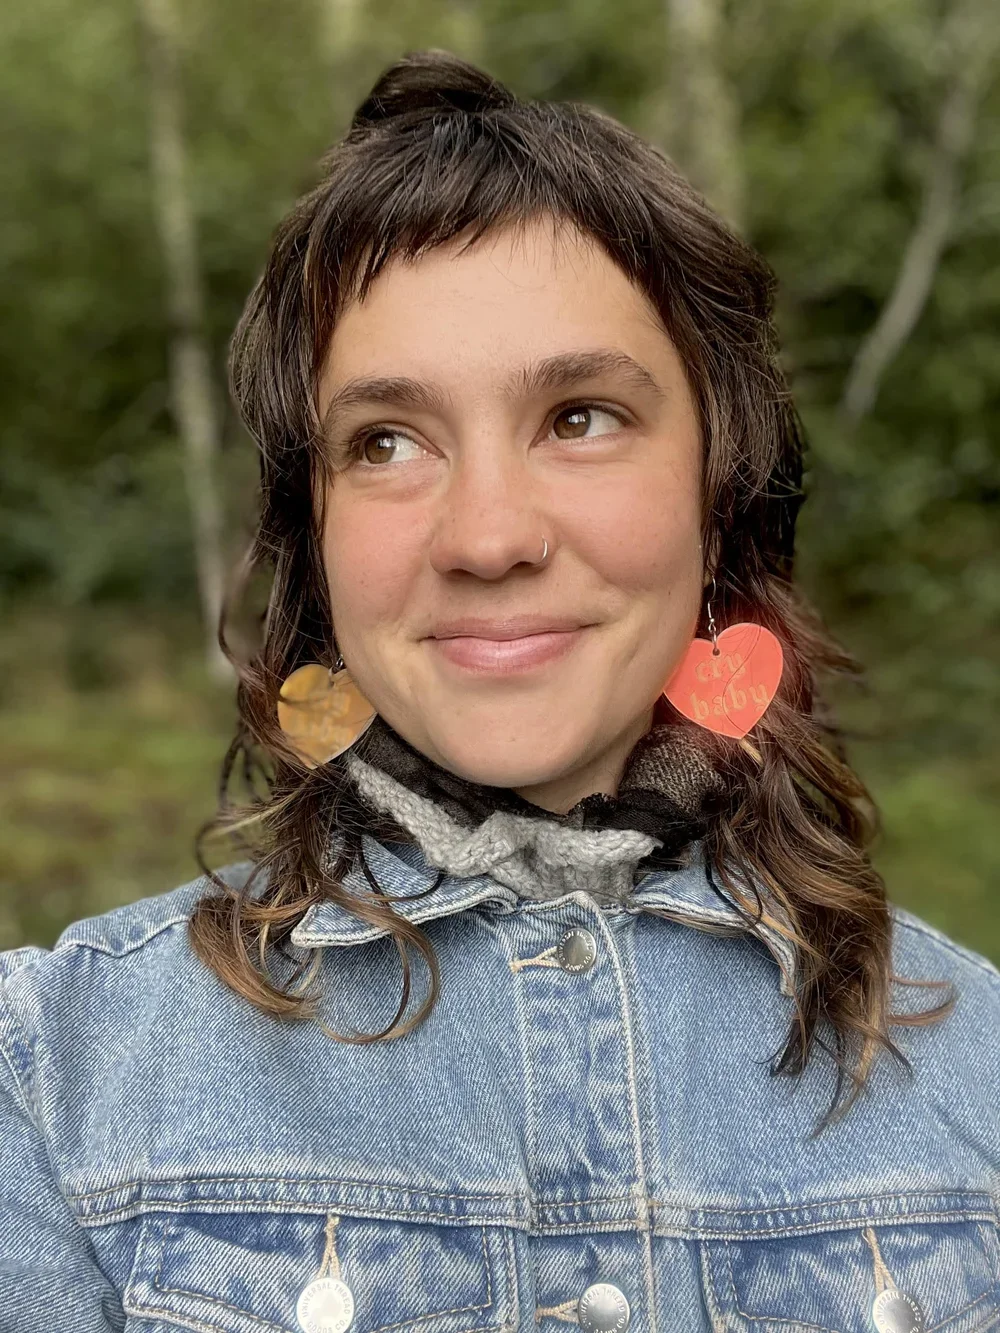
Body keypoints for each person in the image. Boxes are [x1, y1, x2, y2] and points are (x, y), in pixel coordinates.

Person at [2, 48, 998, 1333]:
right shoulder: (50, 1080)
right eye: (387, 440)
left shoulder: (980, 1075)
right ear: (316, 535)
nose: (485, 535)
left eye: (580, 415)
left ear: (722, 484)